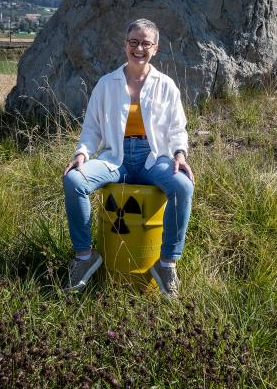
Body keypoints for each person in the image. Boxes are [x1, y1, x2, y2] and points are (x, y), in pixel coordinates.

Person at [62, 18, 194, 297]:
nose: (139, 48)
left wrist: (180, 154)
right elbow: (91, 129)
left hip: (153, 157)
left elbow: (177, 128)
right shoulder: (106, 83)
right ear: (125, 45)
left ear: (155, 48)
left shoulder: (166, 85)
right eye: (133, 42)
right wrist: (82, 153)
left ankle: (167, 263)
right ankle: (85, 257)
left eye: (146, 43)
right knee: (74, 180)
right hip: (115, 158)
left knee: (183, 186)